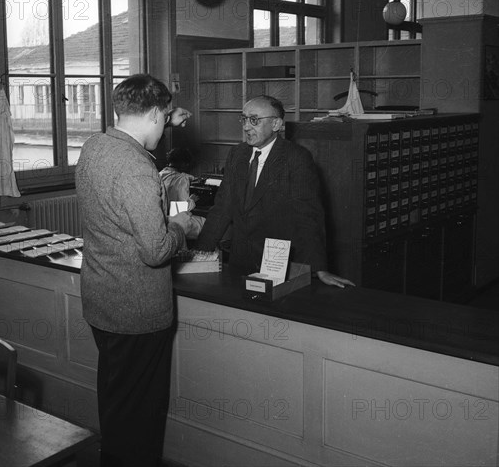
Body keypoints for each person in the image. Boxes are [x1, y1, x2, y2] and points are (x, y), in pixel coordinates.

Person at [76, 74, 194, 466]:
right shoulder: (138, 169)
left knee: (117, 401)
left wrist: (166, 120)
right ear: (157, 114)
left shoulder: (95, 146)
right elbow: (156, 250)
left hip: (103, 303)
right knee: (141, 417)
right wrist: (182, 225)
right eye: (164, 118)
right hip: (138, 313)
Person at [196, 95, 355, 288]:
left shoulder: (296, 158)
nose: (246, 126)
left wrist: (319, 268)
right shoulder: (237, 154)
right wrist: (200, 253)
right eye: (244, 119)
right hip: (239, 261)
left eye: (254, 120)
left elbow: (307, 216)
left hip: (277, 267)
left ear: (276, 124)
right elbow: (222, 208)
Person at [159, 147, 205, 239]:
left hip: (162, 221)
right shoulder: (182, 179)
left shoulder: (159, 174)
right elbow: (180, 207)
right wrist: (192, 200)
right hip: (176, 221)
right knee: (206, 223)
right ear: (184, 163)